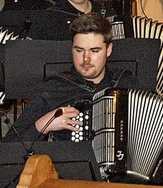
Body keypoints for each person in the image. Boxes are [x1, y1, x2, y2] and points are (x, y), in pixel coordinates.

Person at [3, 12, 141, 142]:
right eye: (79, 50)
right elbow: (10, 145)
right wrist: (43, 125)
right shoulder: (54, 89)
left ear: (109, 50)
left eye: (94, 51)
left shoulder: (127, 84)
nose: (86, 58)